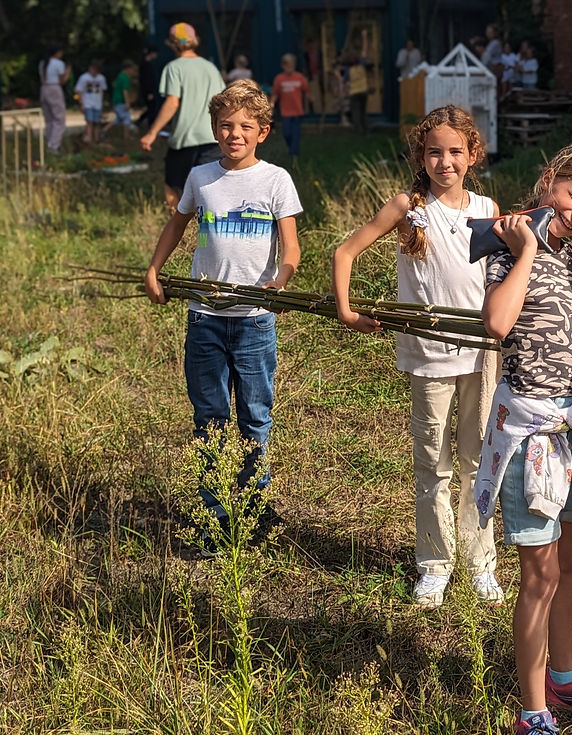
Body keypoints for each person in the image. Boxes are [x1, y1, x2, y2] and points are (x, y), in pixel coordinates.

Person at [474, 143, 572, 735]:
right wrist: (527, 250)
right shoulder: (509, 242)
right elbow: (498, 323)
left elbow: (559, 319)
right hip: (530, 431)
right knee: (537, 576)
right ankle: (531, 711)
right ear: (550, 180)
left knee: (565, 561)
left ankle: (563, 679)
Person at [332, 106, 504, 610]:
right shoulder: (408, 206)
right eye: (434, 152)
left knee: (479, 463)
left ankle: (480, 563)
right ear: (420, 156)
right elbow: (346, 251)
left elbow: (506, 275)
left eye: (455, 152)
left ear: (472, 155)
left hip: (481, 356)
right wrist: (346, 310)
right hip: (429, 358)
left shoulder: (488, 209)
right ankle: (433, 564)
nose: (444, 161)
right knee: (433, 462)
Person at [143, 79, 302, 555]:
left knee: (255, 416)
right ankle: (212, 513)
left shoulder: (275, 181)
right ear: (213, 128)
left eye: (245, 127)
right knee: (210, 417)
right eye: (226, 125)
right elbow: (177, 224)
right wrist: (155, 269)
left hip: (254, 319)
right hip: (205, 318)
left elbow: (291, 246)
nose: (235, 134)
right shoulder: (200, 177)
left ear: (263, 132)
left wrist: (280, 281)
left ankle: (253, 506)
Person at [140, 22, 226, 210]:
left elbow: (172, 102)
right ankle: (207, 228)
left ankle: (180, 229)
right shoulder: (210, 67)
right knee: (210, 189)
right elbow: (222, 101)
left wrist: (152, 132)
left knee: (172, 186)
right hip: (212, 138)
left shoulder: (174, 68)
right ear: (194, 41)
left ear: (172, 44)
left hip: (184, 139)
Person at [270, 53, 310, 159]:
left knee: (296, 133)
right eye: (287, 65)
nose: (289, 67)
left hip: (297, 110)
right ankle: (291, 148)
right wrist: (272, 103)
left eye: (291, 64)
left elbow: (306, 92)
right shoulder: (279, 79)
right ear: (283, 66)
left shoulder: (300, 77)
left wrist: (308, 105)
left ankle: (294, 154)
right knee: (286, 133)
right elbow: (275, 93)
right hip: (286, 111)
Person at [39, 45, 70, 154]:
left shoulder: (43, 63)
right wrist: (68, 73)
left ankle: (49, 141)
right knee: (59, 119)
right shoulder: (59, 63)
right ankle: (54, 145)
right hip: (54, 88)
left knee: (49, 119)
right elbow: (62, 81)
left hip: (44, 88)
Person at [341, 28, 372, 135]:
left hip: (354, 92)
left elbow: (344, 81)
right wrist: (364, 37)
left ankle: (359, 131)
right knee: (363, 112)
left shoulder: (348, 70)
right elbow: (364, 50)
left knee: (356, 113)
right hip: (363, 90)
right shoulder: (361, 65)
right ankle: (366, 130)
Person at [74, 59, 107, 144]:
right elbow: (79, 91)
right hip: (87, 103)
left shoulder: (101, 78)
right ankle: (89, 139)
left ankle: (96, 139)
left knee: (96, 122)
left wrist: (102, 102)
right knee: (89, 122)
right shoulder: (84, 77)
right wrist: (81, 104)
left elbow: (102, 91)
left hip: (97, 103)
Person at [104, 60, 138, 139]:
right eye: (132, 70)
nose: (133, 72)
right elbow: (125, 90)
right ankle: (127, 135)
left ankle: (104, 130)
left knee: (119, 119)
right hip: (121, 101)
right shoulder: (125, 77)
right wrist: (127, 102)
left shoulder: (120, 76)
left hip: (116, 101)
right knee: (126, 118)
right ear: (128, 69)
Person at [136, 46, 161, 130]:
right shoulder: (145, 65)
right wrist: (149, 92)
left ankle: (145, 123)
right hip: (148, 91)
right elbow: (146, 80)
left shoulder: (147, 64)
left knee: (151, 108)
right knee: (151, 109)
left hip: (148, 90)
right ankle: (149, 125)